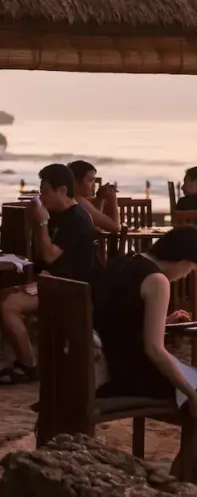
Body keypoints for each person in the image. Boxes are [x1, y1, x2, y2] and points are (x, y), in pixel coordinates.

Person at [92, 225, 197, 495]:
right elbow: (155, 350)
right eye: (190, 270)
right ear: (183, 261)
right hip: (134, 373)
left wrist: (162, 320)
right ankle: (184, 471)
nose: (185, 276)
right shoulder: (157, 281)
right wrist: (189, 393)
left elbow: (118, 315)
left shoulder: (125, 262)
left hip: (115, 358)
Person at [0, 164, 97, 385]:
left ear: (61, 190)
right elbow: (38, 255)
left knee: (7, 306)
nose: (41, 196)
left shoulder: (77, 218)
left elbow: (50, 255)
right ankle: (25, 360)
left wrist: (42, 222)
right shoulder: (57, 215)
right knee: (4, 294)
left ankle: (28, 364)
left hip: (70, 289)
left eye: (44, 190)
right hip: (50, 282)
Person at [67, 160, 121, 233]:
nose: (94, 185)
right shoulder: (80, 203)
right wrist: (113, 199)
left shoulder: (70, 199)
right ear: (76, 182)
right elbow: (115, 227)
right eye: (90, 180)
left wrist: (100, 198)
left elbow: (94, 223)